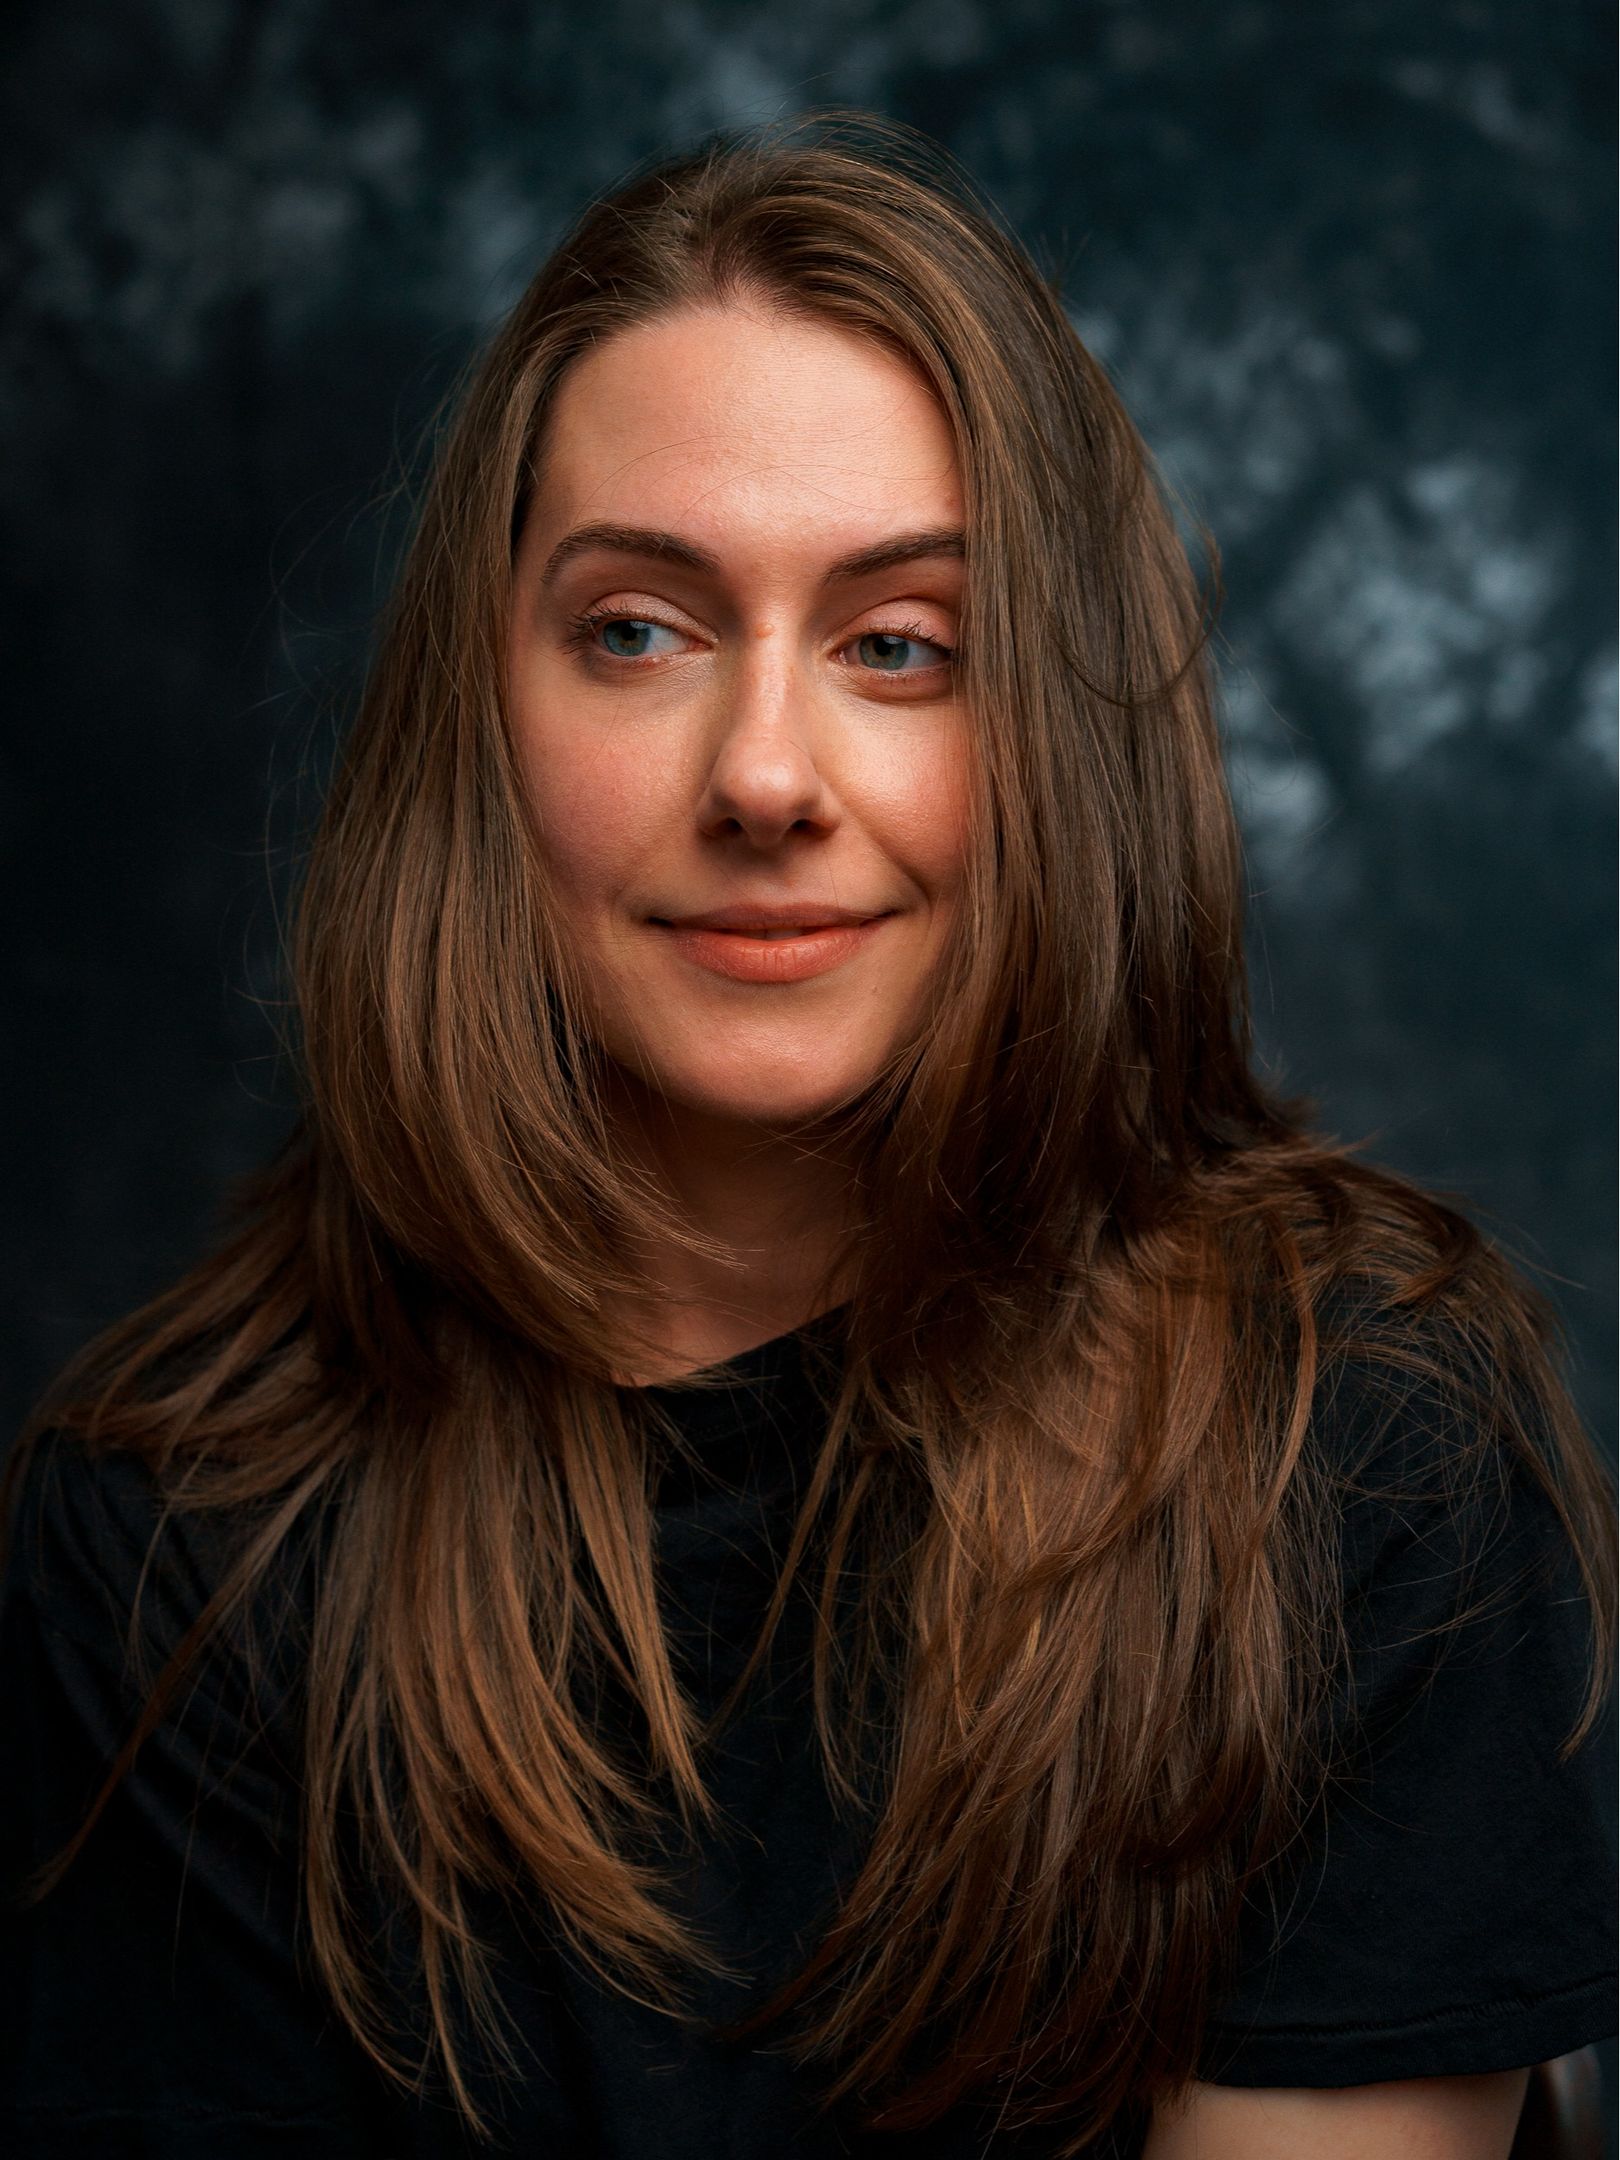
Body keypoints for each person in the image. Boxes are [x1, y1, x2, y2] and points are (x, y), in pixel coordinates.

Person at [1, 114, 1613, 2160]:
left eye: (900, 647)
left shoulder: (1353, 1447)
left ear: (1057, 735)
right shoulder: (177, 1540)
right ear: (483, 717)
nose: (766, 774)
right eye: (639, 630)